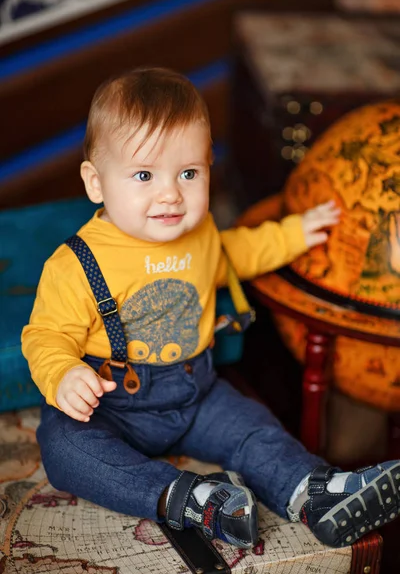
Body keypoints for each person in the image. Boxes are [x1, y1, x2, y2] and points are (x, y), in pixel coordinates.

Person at [22, 67, 400, 550]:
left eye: (189, 173)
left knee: (256, 429)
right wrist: (64, 374)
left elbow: (241, 250)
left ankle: (316, 493)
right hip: (113, 403)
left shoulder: (199, 234)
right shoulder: (77, 263)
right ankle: (188, 498)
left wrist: (296, 233)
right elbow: (45, 335)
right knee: (63, 447)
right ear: (96, 183)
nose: (170, 194)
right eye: (144, 174)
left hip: (195, 393)